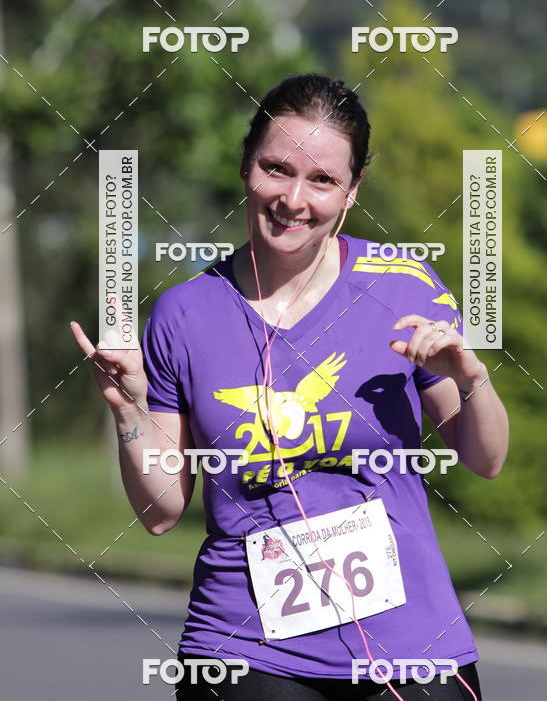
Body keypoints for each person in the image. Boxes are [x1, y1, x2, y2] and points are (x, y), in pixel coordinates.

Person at [71, 73, 509, 701]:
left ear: (351, 192)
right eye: (276, 169)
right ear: (246, 166)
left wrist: (470, 377)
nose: (293, 200)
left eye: (323, 180)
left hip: (411, 646)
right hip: (241, 647)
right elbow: (161, 512)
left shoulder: (404, 288)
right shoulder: (184, 314)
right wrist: (129, 410)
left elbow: (486, 459)